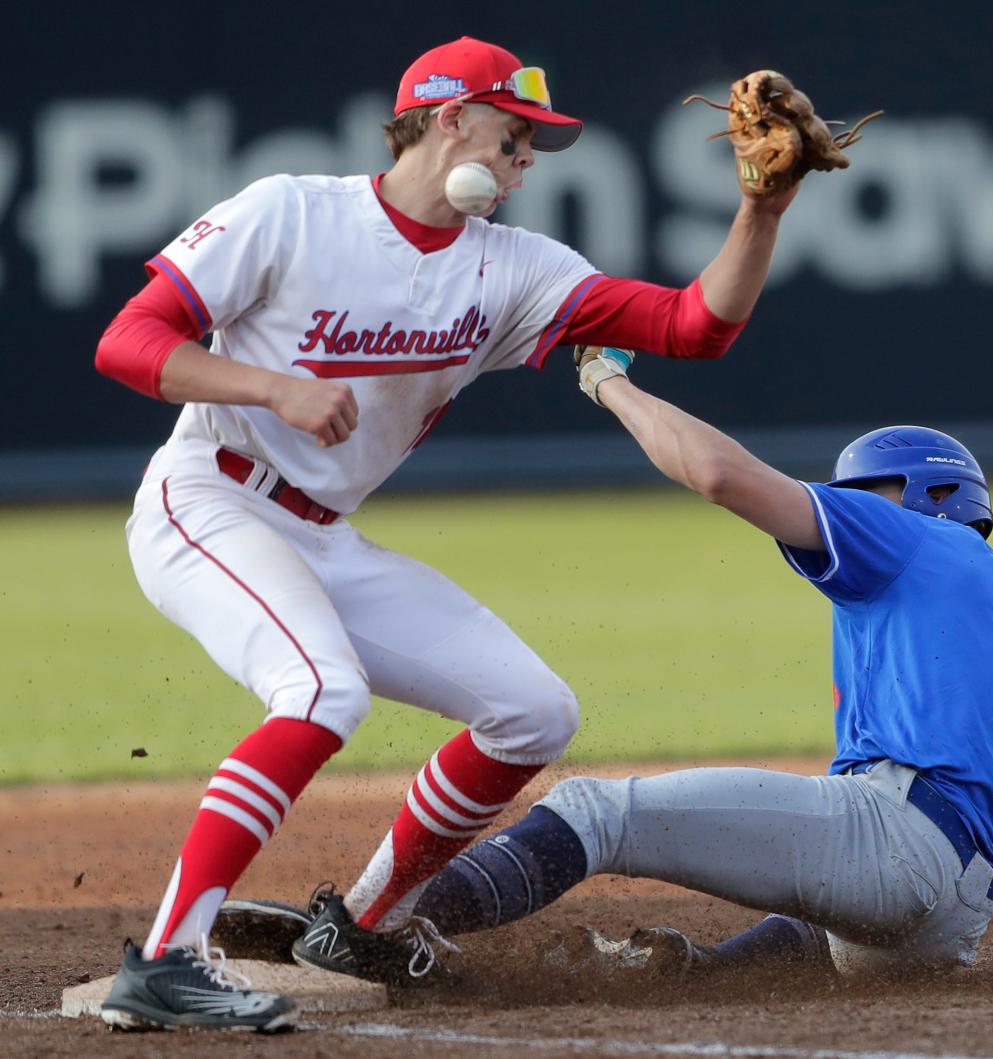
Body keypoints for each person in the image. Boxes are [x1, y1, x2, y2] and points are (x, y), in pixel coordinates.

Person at [93, 36, 813, 1032]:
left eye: (534, 149)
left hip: (320, 535)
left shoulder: (511, 270)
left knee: (533, 710)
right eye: (517, 138)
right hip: (208, 498)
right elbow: (127, 342)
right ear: (449, 119)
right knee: (322, 690)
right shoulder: (291, 212)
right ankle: (168, 956)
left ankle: (364, 922)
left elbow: (697, 326)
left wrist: (762, 211)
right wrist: (271, 387)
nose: (526, 164)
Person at [298, 344, 993, 985]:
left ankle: (386, 931)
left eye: (865, 492)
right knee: (819, 911)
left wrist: (610, 385)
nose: (843, 505)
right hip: (953, 924)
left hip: (894, 842)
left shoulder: (906, 539)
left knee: (593, 809)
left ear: (924, 498)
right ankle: (691, 973)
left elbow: (719, 475)